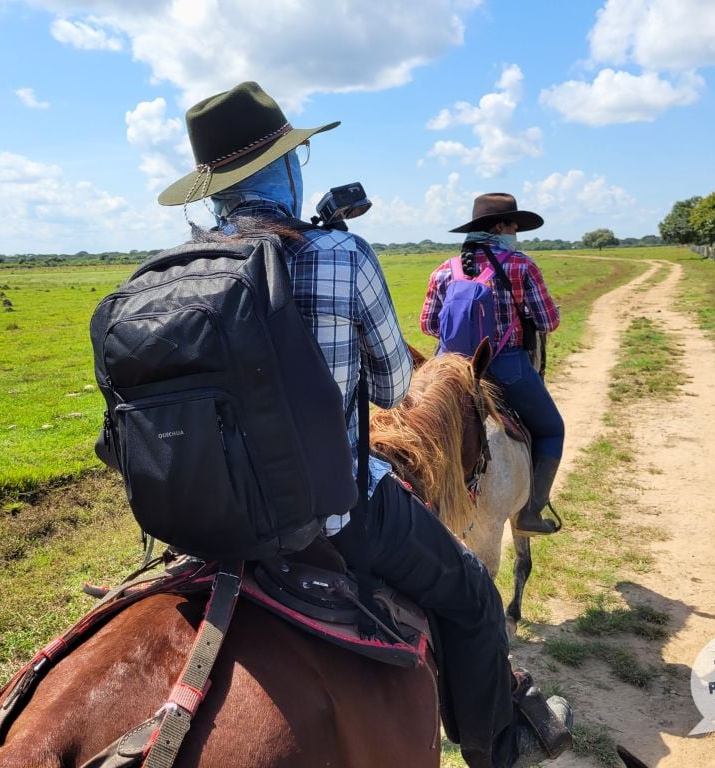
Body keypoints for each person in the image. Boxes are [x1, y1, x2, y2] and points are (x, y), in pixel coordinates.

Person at [158, 82, 569, 767]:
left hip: (204, 519)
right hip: (335, 515)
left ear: (213, 191)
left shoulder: (176, 271)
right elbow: (394, 387)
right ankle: (499, 746)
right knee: (469, 593)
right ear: (287, 169)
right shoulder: (340, 256)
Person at [421, 193, 565, 537]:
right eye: (513, 224)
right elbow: (548, 321)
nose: (516, 230)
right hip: (507, 366)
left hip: (450, 371)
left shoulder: (444, 270)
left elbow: (428, 325)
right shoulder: (521, 265)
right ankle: (530, 513)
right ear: (500, 227)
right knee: (551, 429)